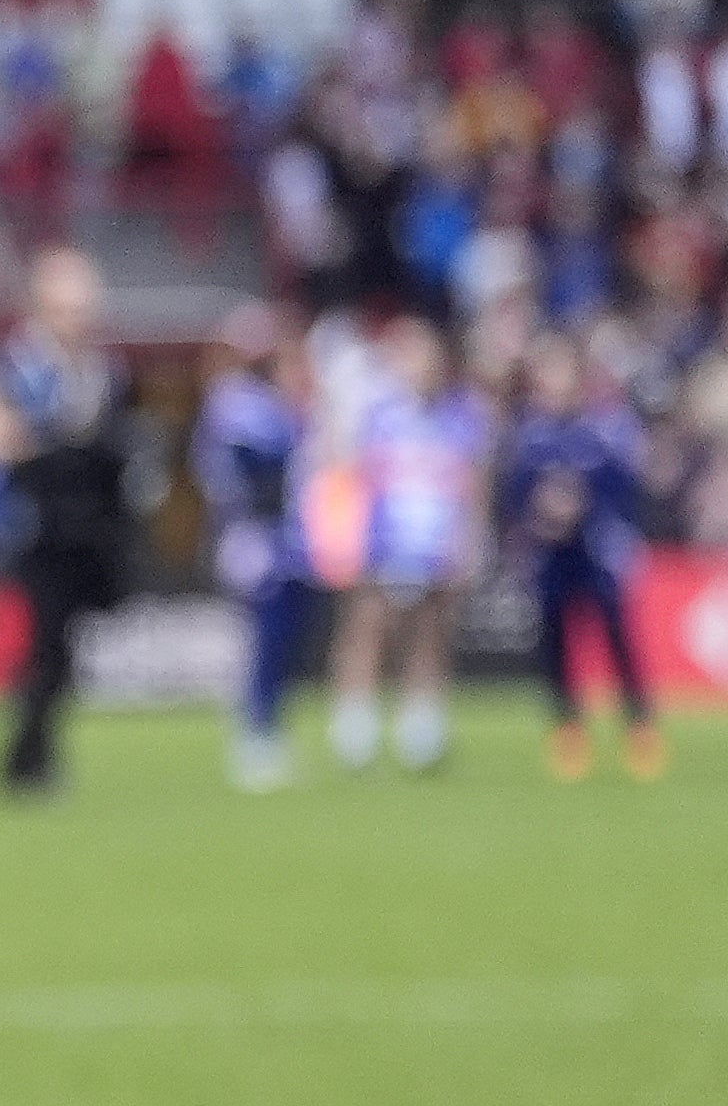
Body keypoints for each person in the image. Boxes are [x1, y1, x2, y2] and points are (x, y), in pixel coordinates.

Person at [0, 248, 145, 796]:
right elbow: (6, 445)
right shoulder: (22, 367)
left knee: (65, 650)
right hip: (39, 529)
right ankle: (26, 759)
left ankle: (35, 754)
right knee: (45, 646)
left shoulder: (104, 370)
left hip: (88, 530)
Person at [497, 333, 660, 783]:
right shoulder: (529, 438)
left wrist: (579, 506)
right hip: (550, 557)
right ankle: (568, 731)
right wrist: (539, 516)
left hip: (596, 554)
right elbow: (513, 496)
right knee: (556, 647)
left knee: (616, 640)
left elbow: (623, 492)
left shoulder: (602, 432)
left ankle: (639, 726)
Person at [328, 316, 485, 775]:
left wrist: (470, 541)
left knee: (430, 633)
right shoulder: (378, 413)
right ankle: (355, 726)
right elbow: (351, 477)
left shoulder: (461, 415)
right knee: (369, 628)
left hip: (436, 543)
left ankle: (423, 728)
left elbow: (472, 486)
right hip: (384, 541)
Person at [192, 306, 320, 791]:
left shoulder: (274, 401)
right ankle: (255, 732)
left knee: (288, 636)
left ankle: (269, 726)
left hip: (285, 535)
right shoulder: (234, 401)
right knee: (266, 635)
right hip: (252, 534)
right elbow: (253, 471)